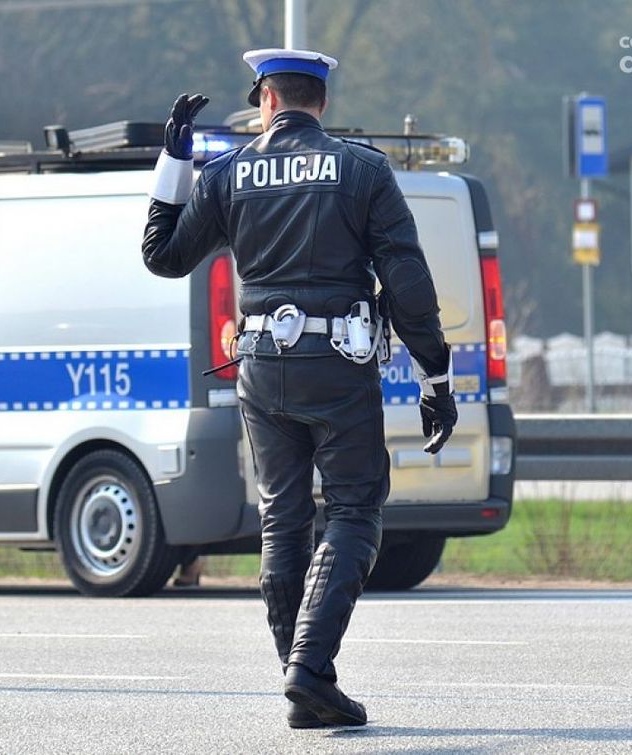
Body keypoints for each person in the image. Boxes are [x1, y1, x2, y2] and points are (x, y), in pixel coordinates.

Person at [141, 48, 458, 729]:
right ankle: (309, 671)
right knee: (353, 509)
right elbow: (407, 282)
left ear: (265, 99)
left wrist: (173, 163)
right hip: (338, 367)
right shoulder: (362, 169)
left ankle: (305, 676)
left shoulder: (227, 174)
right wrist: (436, 376)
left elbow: (162, 256)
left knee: (284, 517)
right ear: (322, 102)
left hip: (260, 365)